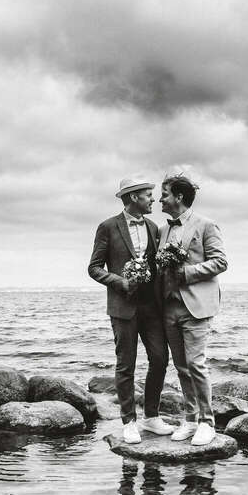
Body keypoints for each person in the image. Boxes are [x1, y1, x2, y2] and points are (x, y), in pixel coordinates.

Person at [88, 177, 177, 443]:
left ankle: (151, 417)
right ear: (133, 197)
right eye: (148, 195)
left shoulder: (153, 227)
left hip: (152, 307)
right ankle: (129, 421)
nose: (153, 200)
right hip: (122, 307)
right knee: (126, 365)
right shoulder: (107, 227)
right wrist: (120, 282)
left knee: (160, 359)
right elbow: (94, 268)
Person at [158, 172, 227, 446]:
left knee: (196, 365)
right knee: (181, 367)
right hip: (169, 308)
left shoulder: (206, 225)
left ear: (179, 197)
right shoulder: (163, 230)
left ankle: (207, 423)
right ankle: (189, 419)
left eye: (164, 194)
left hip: (196, 306)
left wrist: (186, 274)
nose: (160, 199)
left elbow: (220, 262)